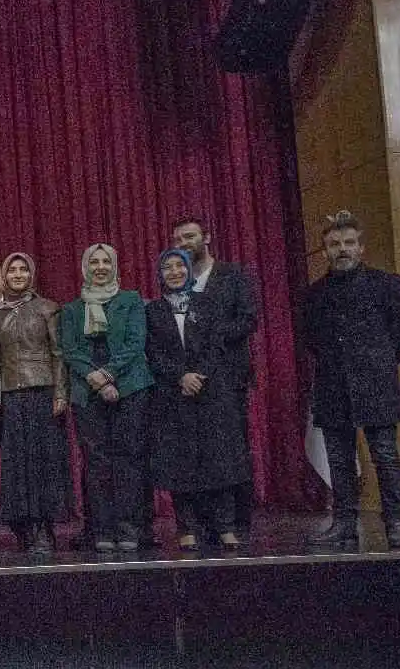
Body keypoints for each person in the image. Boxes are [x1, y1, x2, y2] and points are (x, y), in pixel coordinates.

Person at [303, 212, 400, 551]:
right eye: (334, 245)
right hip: (333, 384)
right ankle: (344, 523)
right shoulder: (315, 294)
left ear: (361, 248)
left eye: (349, 243)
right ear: (324, 251)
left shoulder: (386, 284)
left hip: (376, 383)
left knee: (385, 455)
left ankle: (396, 522)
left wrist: (379, 361)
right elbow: (311, 338)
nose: (342, 250)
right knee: (339, 458)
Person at [146, 249, 247, 551]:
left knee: (219, 459)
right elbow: (153, 352)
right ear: (160, 275)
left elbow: (217, 344)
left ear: (189, 271)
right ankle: (186, 526)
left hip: (212, 391)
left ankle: (225, 526)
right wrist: (181, 376)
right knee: (181, 462)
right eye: (168, 267)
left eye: (180, 266)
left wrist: (199, 374)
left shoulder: (208, 303)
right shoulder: (152, 311)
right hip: (173, 395)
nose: (175, 272)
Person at [170, 216, 259, 542]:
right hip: (190, 382)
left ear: (206, 237)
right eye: (178, 239)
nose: (183, 244)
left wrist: (214, 338)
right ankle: (207, 523)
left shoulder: (232, 275)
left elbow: (248, 318)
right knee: (197, 451)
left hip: (228, 378)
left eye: (189, 236)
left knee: (231, 450)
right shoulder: (176, 282)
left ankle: (236, 522)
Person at [59, 244, 152, 552]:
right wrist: (96, 380)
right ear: (85, 267)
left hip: (130, 387)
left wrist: (109, 374)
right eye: (94, 262)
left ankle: (129, 528)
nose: (100, 266)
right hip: (88, 392)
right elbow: (71, 350)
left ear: (114, 266)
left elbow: (136, 342)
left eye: (105, 261)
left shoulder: (131, 300)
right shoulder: (72, 309)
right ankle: (101, 529)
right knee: (96, 461)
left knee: (128, 458)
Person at [0, 253, 69, 553]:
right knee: (17, 465)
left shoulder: (48, 308)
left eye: (24, 269)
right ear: (5, 276)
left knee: (43, 462)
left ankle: (44, 527)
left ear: (32, 274)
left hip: (43, 392)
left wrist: (61, 393)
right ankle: (24, 525)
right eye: (13, 270)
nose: (18, 274)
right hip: (11, 395)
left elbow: (58, 354)